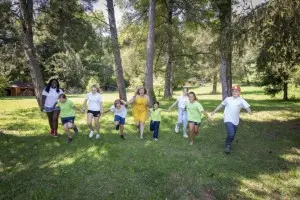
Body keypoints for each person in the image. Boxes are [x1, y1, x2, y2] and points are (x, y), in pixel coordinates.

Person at [211, 85, 252, 154]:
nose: (234, 92)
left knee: (232, 135)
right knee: (231, 133)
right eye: (233, 91)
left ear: (239, 92)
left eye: (236, 91)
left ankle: (229, 143)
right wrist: (214, 111)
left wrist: (249, 112)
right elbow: (221, 105)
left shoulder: (241, 100)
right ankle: (227, 146)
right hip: (227, 119)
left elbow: (247, 107)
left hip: (236, 120)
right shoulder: (228, 99)